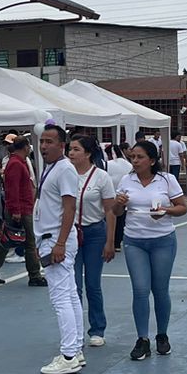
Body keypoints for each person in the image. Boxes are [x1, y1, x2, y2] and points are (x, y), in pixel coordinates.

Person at [115, 139, 186, 359]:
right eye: (132, 157)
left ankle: (162, 335)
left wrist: (166, 211)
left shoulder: (167, 180)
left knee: (160, 289)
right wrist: (119, 203)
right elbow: (116, 212)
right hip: (134, 240)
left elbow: (182, 207)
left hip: (162, 240)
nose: (135, 161)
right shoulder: (126, 180)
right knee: (140, 289)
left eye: (140, 157)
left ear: (152, 160)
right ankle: (142, 339)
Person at [28, 126, 85, 374]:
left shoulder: (64, 170)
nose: (43, 146)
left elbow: (69, 208)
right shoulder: (51, 168)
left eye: (49, 142)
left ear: (62, 145)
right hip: (50, 238)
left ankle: (69, 355)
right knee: (69, 295)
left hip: (56, 240)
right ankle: (76, 349)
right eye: (41, 141)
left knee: (61, 298)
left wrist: (60, 243)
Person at [66, 134, 117, 349]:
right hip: (71, 233)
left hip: (95, 233)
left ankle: (97, 329)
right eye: (70, 149)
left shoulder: (101, 177)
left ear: (87, 153)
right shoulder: (65, 174)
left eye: (76, 149)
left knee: (93, 284)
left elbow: (110, 210)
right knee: (73, 285)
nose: (71, 153)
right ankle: (74, 330)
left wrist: (110, 241)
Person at [0, 136, 44, 289]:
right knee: (29, 242)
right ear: (25, 147)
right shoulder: (16, 164)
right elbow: (13, 189)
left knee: (8, 239)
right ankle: (34, 275)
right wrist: (16, 210)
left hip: (21, 208)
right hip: (21, 209)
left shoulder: (16, 162)